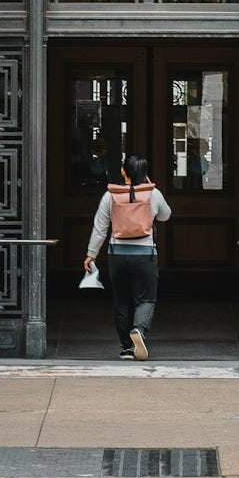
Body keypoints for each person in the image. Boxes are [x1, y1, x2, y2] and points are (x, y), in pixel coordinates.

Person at [83, 153, 171, 361]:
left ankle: (126, 348)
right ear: (145, 173)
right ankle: (139, 330)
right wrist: (150, 188)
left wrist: (91, 255)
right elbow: (166, 215)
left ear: (123, 172)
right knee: (146, 299)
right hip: (145, 256)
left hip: (118, 256)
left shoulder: (110, 195)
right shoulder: (153, 194)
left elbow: (99, 229)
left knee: (121, 302)